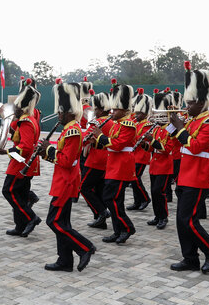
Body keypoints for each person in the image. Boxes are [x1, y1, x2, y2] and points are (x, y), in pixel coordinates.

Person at [168, 61, 209, 274]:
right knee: (181, 221)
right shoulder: (190, 121)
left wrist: (181, 130)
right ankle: (190, 257)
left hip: (198, 176)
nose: (187, 106)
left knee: (188, 220)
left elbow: (196, 145)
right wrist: (172, 127)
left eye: (190, 103)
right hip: (185, 175)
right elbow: (175, 144)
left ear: (201, 102)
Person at [40, 80, 96, 272]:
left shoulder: (72, 131)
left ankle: (85, 247)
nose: (59, 115)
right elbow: (62, 159)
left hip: (66, 182)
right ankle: (65, 260)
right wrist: (44, 153)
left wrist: (49, 149)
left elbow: (66, 160)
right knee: (62, 222)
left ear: (69, 112)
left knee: (53, 221)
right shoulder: (69, 129)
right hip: (63, 180)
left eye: (60, 112)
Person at [90, 81, 137, 244]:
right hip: (114, 166)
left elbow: (117, 145)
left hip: (121, 167)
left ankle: (127, 227)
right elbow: (109, 142)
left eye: (116, 109)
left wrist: (99, 136)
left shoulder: (128, 125)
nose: (112, 111)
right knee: (115, 200)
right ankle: (118, 231)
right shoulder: (117, 124)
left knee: (111, 199)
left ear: (124, 110)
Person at [0, 78, 42, 237]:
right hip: (24, 162)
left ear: (21, 107)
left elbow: (26, 146)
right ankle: (20, 225)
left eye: (16, 105)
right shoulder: (27, 119)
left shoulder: (26, 121)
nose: (14, 107)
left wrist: (7, 151)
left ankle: (31, 217)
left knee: (8, 191)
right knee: (21, 193)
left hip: (21, 162)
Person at [143, 89, 175, 229]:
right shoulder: (155, 128)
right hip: (155, 165)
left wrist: (152, 141)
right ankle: (157, 215)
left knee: (159, 192)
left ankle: (164, 217)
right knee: (154, 192)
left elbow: (167, 149)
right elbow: (151, 149)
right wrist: (145, 143)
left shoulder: (170, 129)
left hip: (165, 166)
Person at [80, 91, 112, 228]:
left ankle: (101, 212)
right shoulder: (112, 121)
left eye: (96, 108)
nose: (94, 110)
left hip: (95, 159)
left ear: (99, 109)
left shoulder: (97, 122)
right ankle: (100, 220)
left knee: (84, 187)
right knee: (99, 189)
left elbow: (83, 140)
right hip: (106, 159)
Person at [128, 89, 152, 211]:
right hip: (134, 155)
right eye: (136, 112)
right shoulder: (135, 123)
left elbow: (139, 139)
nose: (136, 115)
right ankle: (137, 201)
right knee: (133, 179)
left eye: (139, 113)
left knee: (136, 178)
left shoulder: (147, 125)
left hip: (141, 155)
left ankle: (145, 198)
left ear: (145, 113)